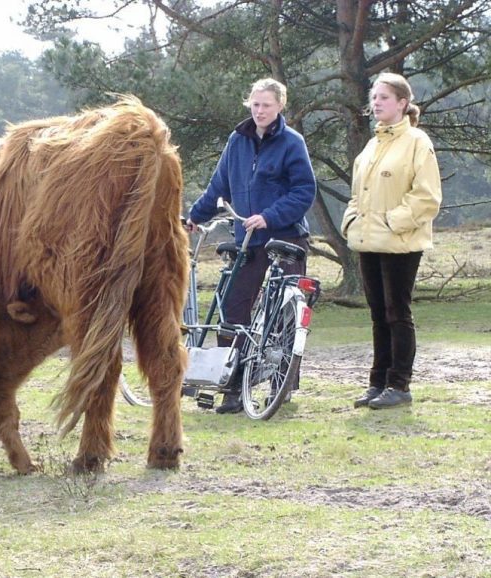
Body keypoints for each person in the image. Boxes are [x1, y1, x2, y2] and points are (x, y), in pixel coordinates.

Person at [187, 77, 316, 414]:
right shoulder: (238, 141)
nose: (260, 111)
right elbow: (219, 185)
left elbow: (304, 191)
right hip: (246, 240)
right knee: (233, 309)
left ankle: (281, 388)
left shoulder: (292, 142)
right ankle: (231, 387)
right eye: (255, 105)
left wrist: (269, 216)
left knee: (284, 314)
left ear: (280, 106)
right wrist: (195, 216)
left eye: (267, 105)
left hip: (284, 237)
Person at [342, 72, 442, 410]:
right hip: (368, 241)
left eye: (383, 97)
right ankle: (378, 382)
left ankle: (399, 384)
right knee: (377, 314)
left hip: (401, 243)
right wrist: (351, 221)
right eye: (374, 97)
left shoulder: (417, 142)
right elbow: (357, 194)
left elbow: (427, 197)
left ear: (402, 103)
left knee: (397, 312)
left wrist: (392, 222)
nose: (376, 103)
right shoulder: (372, 145)